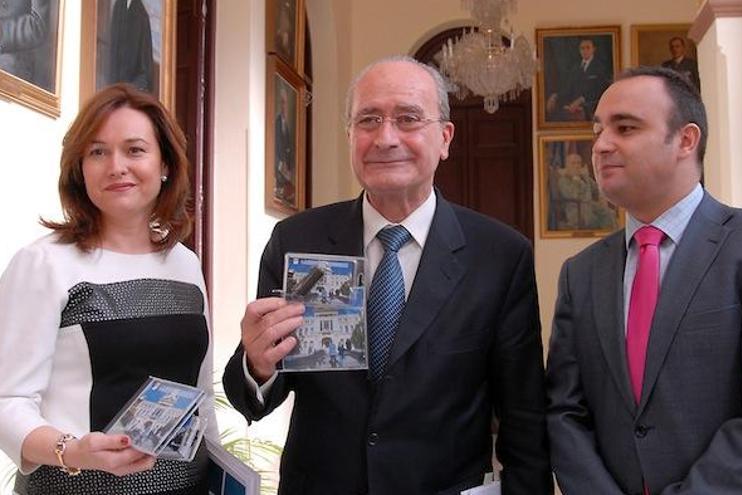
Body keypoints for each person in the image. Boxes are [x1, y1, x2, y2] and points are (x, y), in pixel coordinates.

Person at [223, 56, 551, 494]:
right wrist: (257, 365)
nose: (386, 137)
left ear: (445, 138)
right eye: (368, 120)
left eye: (408, 119)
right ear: (349, 136)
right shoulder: (297, 240)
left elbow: (524, 417)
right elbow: (260, 393)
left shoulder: (500, 255)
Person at [546, 66, 742, 494]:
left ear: (686, 140)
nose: (601, 145)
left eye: (626, 127)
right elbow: (564, 414)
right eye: (598, 130)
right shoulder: (581, 273)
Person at [0, 83, 219, 494]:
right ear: (80, 169)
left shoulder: (185, 264)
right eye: (97, 152)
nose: (116, 166)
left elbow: (200, 394)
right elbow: (2, 405)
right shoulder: (44, 264)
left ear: (164, 165)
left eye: (135, 150)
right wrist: (71, 451)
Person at [546, 37, 611, 122]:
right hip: (574, 108)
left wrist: (582, 100)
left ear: (593, 49)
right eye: (582, 48)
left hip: (592, 107)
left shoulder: (600, 67)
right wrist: (555, 96)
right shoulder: (575, 68)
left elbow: (602, 90)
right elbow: (568, 89)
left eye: (588, 48)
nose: (585, 51)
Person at [107, 0, 154, 93]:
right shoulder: (119, 7)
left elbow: (144, 57)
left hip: (133, 82)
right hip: (115, 81)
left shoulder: (141, 14)